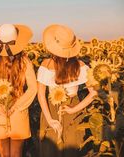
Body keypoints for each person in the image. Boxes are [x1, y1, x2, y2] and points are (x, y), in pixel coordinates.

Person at [37, 24, 97, 157]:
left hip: (51, 108)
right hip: (73, 107)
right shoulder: (80, 65)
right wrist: (74, 109)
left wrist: (49, 119)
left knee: (50, 149)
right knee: (73, 147)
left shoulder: (46, 64)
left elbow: (41, 95)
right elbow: (94, 93)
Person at [0, 24, 37, 157]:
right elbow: (33, 88)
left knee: (3, 154)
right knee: (16, 154)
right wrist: (17, 106)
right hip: (18, 112)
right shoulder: (24, 61)